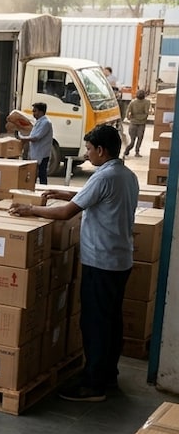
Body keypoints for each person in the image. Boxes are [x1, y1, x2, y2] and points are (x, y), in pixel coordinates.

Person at [9, 124, 137, 402]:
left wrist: (30, 209)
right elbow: (93, 199)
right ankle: (107, 375)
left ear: (101, 150)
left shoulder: (104, 176)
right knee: (111, 321)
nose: (87, 154)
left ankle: (92, 385)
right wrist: (61, 193)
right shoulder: (126, 175)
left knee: (95, 323)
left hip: (102, 262)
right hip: (120, 260)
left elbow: (67, 214)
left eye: (89, 149)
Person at [15, 101, 54, 184]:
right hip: (35, 153)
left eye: (35, 111)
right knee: (33, 175)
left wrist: (23, 139)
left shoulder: (46, 123)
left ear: (41, 112)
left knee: (42, 175)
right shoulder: (38, 122)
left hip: (42, 154)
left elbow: (36, 137)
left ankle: (43, 190)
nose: (33, 113)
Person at [125, 89, 150, 157]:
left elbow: (127, 112)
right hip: (142, 123)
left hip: (133, 122)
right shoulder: (147, 102)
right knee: (140, 138)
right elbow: (147, 112)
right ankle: (137, 152)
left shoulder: (133, 102)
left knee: (132, 140)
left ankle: (127, 150)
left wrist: (128, 117)